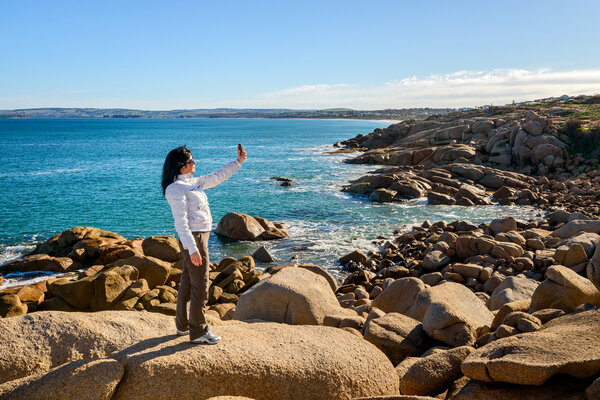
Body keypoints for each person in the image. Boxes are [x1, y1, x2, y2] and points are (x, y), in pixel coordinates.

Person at [162, 144, 247, 344]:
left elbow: (218, 176)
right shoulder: (176, 189)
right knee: (201, 285)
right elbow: (181, 223)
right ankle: (198, 331)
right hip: (195, 238)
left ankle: (182, 325)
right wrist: (193, 249)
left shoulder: (193, 183)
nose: (195, 163)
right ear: (181, 166)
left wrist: (238, 162)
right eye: (191, 161)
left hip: (200, 237)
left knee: (187, 282)